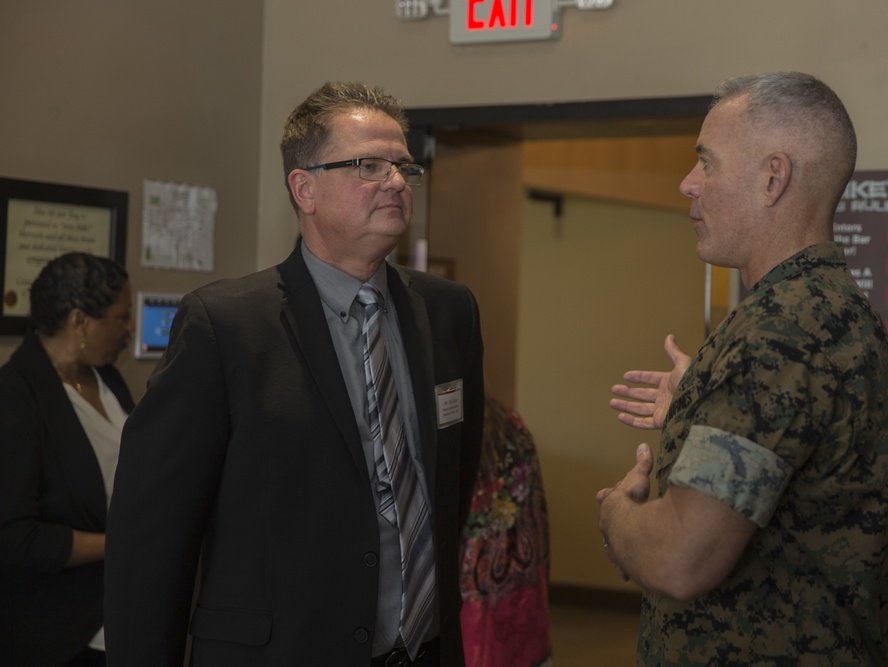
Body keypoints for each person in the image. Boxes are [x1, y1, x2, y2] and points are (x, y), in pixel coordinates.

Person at [104, 81, 485, 666]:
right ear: (304, 188)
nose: (395, 183)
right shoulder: (225, 325)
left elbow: (449, 487)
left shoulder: (449, 311)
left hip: (422, 650)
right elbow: (152, 539)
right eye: (368, 165)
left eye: (404, 167)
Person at [596, 72, 888, 665]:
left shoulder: (777, 332)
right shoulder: (835, 306)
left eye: (707, 164)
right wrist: (701, 401)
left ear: (773, 177)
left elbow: (680, 559)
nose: (687, 184)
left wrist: (616, 514)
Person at [0, 252, 135, 666]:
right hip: (59, 633)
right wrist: (123, 546)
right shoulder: (17, 396)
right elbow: (16, 537)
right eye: (121, 317)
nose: (130, 329)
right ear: (79, 321)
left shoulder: (105, 375)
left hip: (120, 614)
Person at [459, 395, 552, 667]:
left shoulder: (453, 425)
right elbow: (538, 513)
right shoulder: (510, 421)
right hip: (519, 581)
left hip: (470, 587)